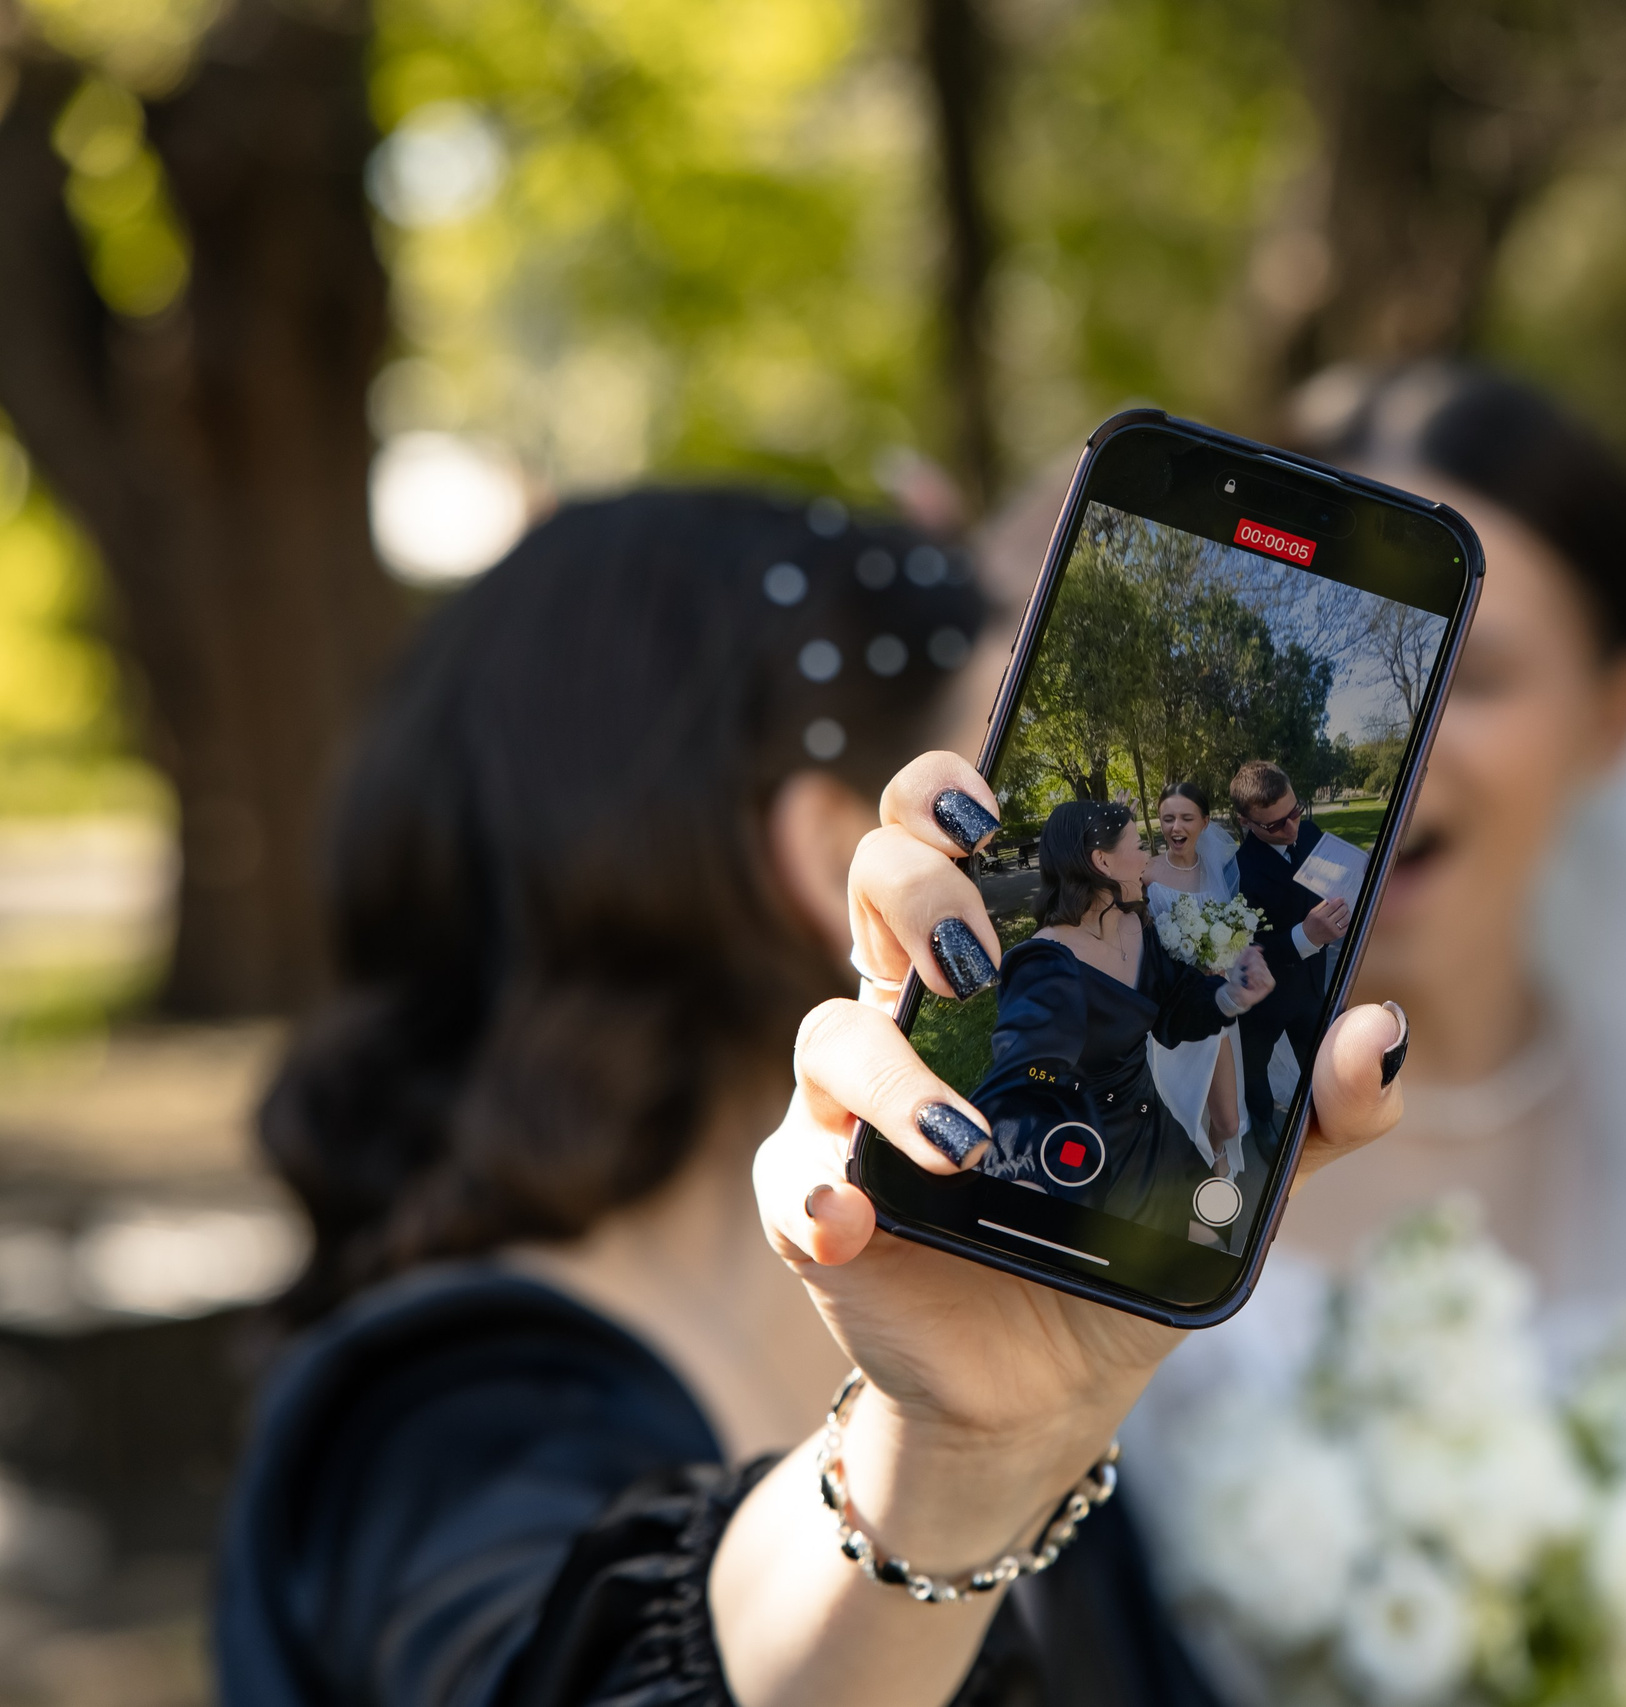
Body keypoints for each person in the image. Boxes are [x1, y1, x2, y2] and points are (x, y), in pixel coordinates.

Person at [214, 487, 1415, 1707]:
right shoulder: (438, 1421)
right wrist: (948, 1466)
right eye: (978, 767)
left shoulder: (999, 1331)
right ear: (835, 844)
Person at [1116, 366, 1626, 1706]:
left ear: (1616, 716)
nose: (1376, 750)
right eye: (1322, 669)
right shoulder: (1143, 1096)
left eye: (1477, 676)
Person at [971, 798, 1275, 1239]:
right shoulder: (1042, 965)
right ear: (1102, 861)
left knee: (1212, 1236)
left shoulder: (1137, 925)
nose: (1148, 858)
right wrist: (1021, 1166)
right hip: (1096, 1153)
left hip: (1156, 1131)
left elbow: (1175, 1009)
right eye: (1138, 845)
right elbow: (1024, 1073)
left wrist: (1231, 995)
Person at [1227, 758, 1347, 1142]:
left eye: (1294, 811)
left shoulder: (1311, 833)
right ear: (1244, 821)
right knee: (1255, 1070)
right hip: (1262, 1002)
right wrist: (1305, 936)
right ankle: (1262, 1124)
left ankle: (1327, 1123)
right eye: (1275, 824)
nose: (1292, 827)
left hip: (1312, 989)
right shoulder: (1237, 871)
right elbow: (1243, 946)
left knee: (1321, 1065)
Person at [1143, 782, 1249, 1178]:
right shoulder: (1147, 873)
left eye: (1186, 817)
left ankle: (1218, 1149)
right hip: (1171, 1008)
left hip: (1213, 1005)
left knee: (1228, 1120)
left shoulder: (1216, 871)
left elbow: (1235, 931)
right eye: (1168, 817)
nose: (1175, 826)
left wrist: (1225, 958)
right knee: (1176, 1106)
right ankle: (1191, 1169)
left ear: (1204, 822)